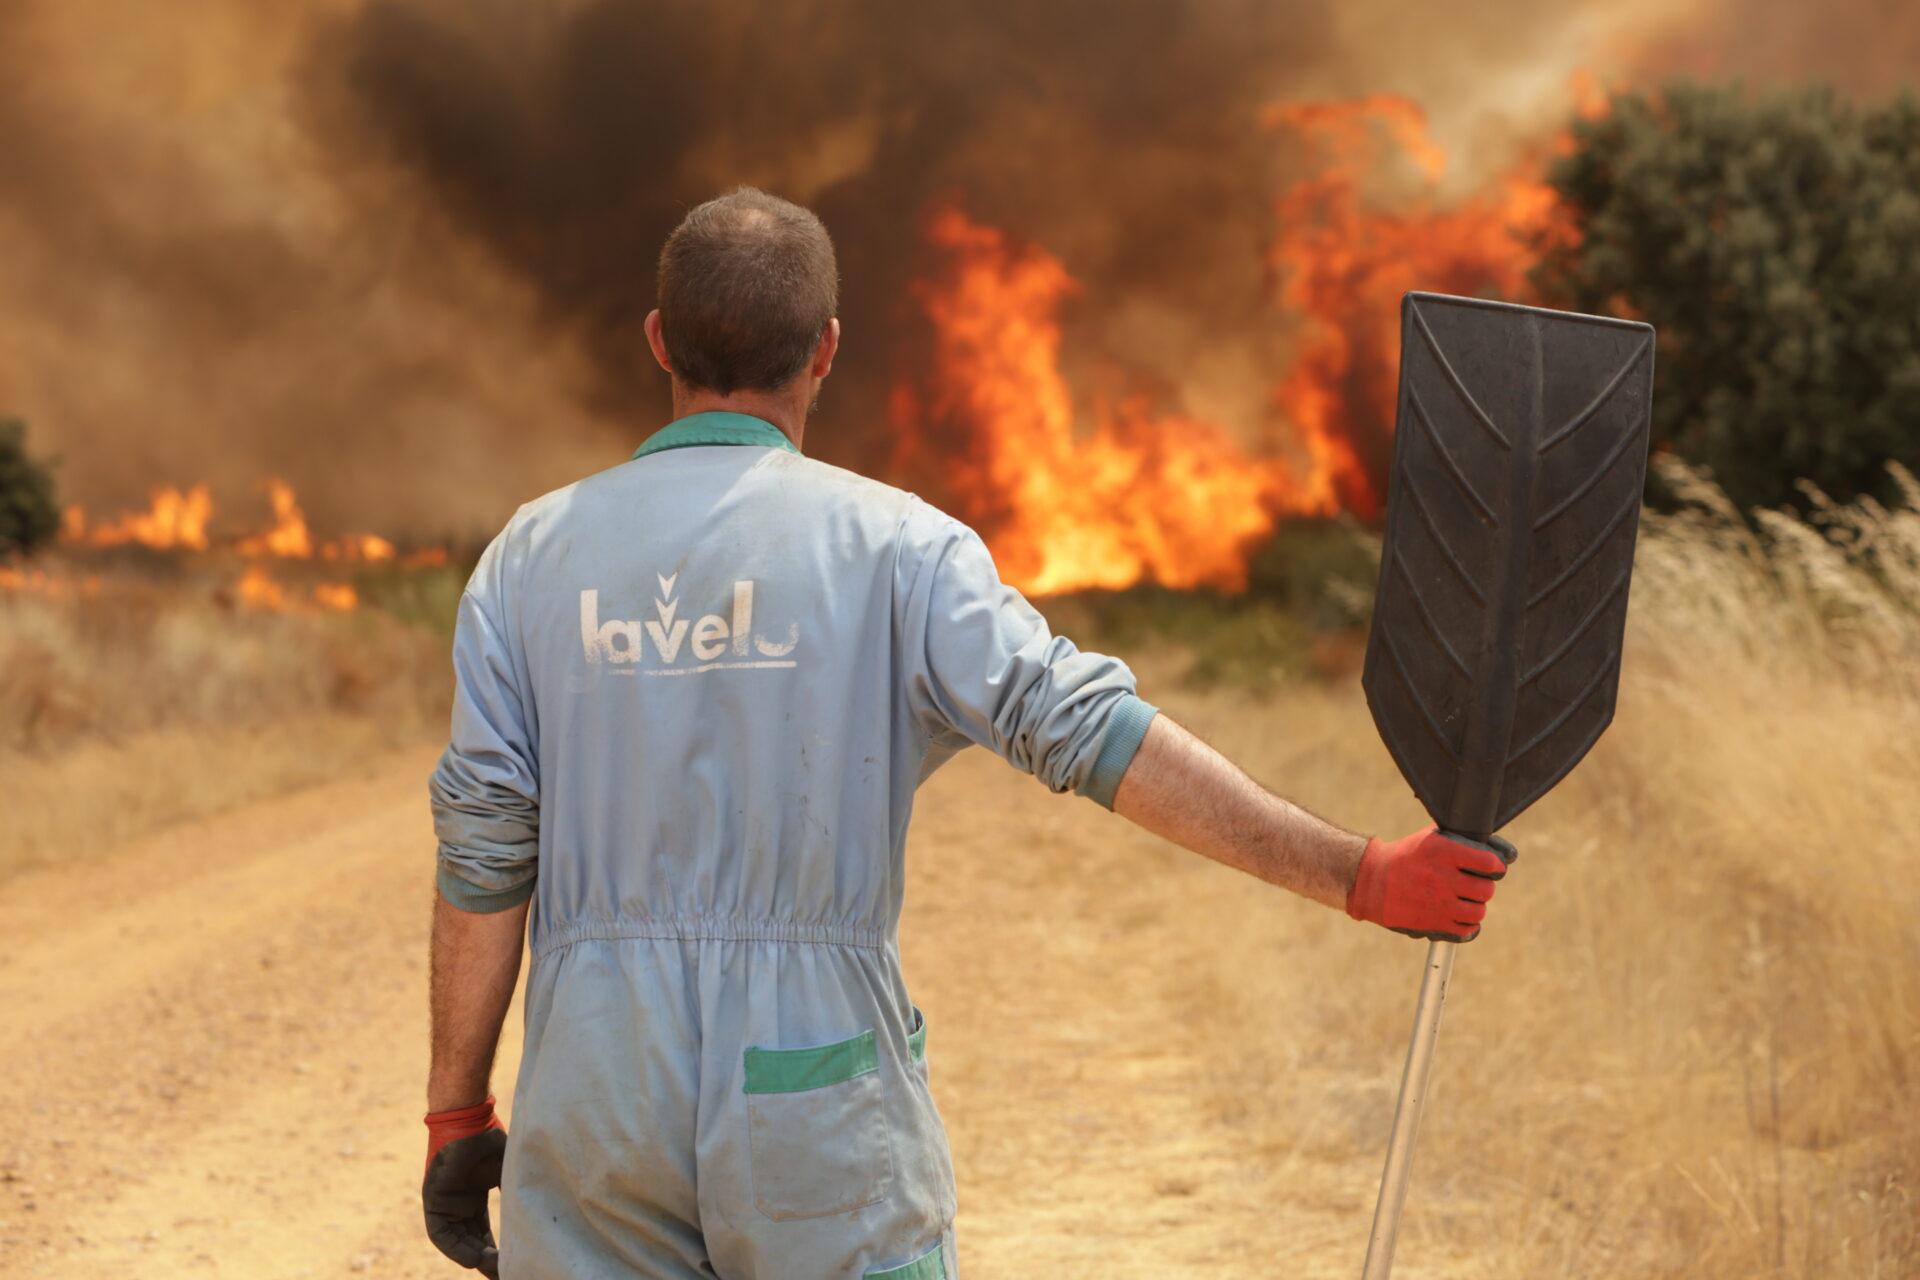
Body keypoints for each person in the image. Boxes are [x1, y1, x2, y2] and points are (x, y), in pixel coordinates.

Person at [421, 187, 1513, 1280]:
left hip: (596, 1097)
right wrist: (1360, 874)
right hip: (812, 1086)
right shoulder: (898, 548)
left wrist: (457, 1112)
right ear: (826, 349)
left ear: (659, 340)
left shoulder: (530, 557)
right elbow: (1093, 733)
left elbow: (483, 854)